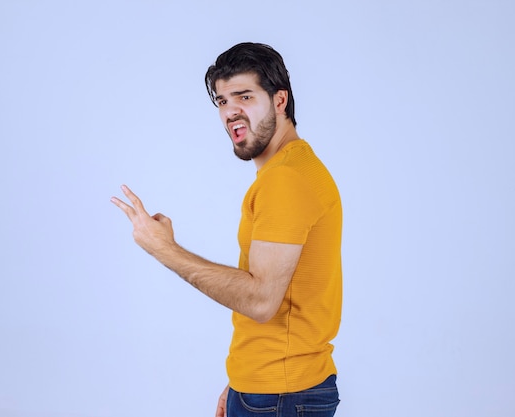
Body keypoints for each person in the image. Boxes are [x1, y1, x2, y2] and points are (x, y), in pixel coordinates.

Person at [111, 42, 342, 417]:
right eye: (221, 101)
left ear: (279, 101)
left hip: (279, 396)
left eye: (244, 96)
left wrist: (163, 248)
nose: (230, 112)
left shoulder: (285, 179)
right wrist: (242, 379)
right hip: (273, 389)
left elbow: (262, 301)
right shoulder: (295, 167)